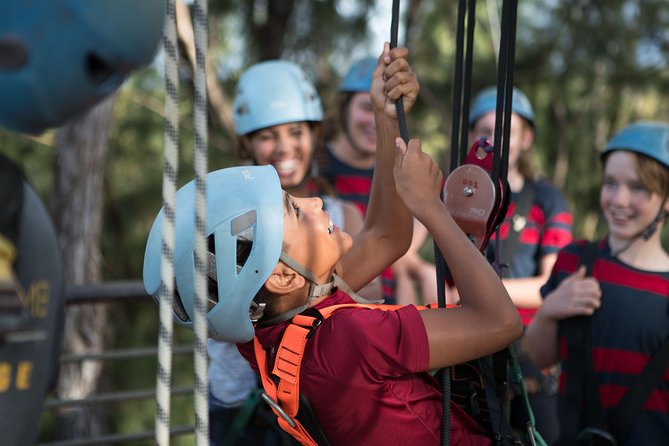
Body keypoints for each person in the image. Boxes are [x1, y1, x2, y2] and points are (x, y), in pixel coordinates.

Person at [144, 43, 522, 445]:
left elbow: (385, 237)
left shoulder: (278, 329)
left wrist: (384, 115)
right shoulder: (348, 339)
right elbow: (501, 322)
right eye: (294, 210)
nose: (315, 201)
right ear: (283, 275)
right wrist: (432, 208)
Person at [523, 121, 669, 446]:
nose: (619, 199)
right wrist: (550, 310)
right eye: (610, 183)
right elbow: (539, 355)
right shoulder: (576, 261)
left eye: (639, 188)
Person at [467, 86, 573, 444]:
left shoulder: (546, 199)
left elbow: (552, 286)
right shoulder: (460, 196)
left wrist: (483, 289)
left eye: (506, 130)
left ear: (525, 138)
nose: (494, 139)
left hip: (529, 347)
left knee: (548, 435)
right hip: (471, 344)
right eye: (484, 129)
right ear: (471, 138)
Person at [317, 55, 437, 306]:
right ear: (343, 108)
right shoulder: (314, 168)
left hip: (389, 306)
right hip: (333, 308)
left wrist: (408, 259)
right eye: (366, 107)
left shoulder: (397, 170)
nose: (374, 120)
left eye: (381, 109)